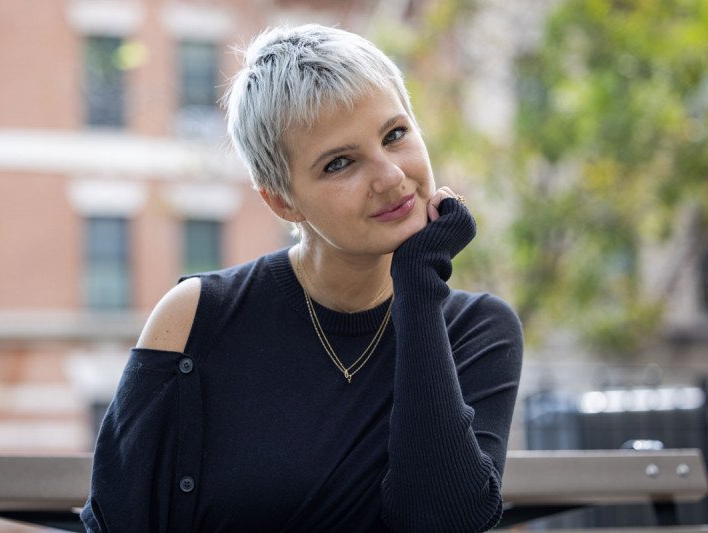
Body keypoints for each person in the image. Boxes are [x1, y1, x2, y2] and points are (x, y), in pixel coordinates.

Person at [81, 23, 522, 533]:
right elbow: (115, 520)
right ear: (282, 200)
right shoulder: (196, 319)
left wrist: (420, 285)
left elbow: (442, 521)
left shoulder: (478, 330)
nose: (390, 176)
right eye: (340, 163)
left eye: (395, 134)